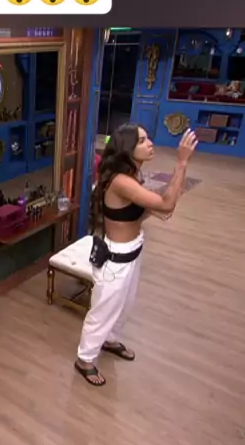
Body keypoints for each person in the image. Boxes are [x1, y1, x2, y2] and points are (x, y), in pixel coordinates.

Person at [75, 124, 198, 386]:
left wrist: (152, 209)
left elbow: (136, 212)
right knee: (103, 311)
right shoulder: (121, 181)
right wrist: (182, 162)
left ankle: (108, 340)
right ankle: (84, 359)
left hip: (133, 250)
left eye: (147, 138)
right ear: (127, 149)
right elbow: (167, 203)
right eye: (142, 141)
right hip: (116, 259)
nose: (150, 143)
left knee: (125, 305)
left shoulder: (133, 175)